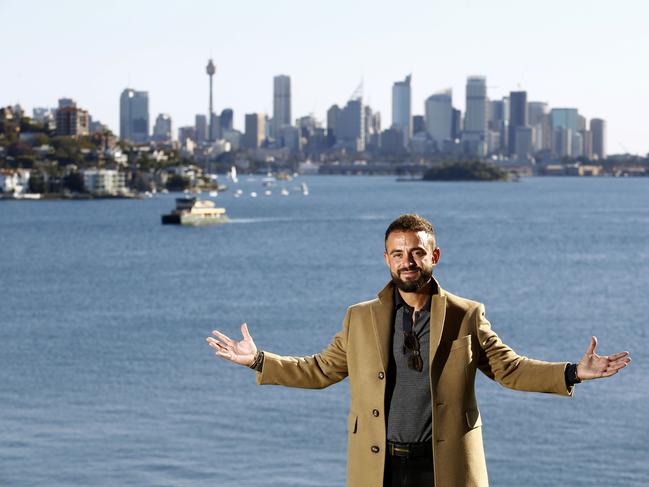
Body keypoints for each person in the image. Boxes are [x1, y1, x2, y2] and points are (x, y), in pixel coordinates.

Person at [206, 214, 630, 487]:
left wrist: (573, 372)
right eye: (397, 253)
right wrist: (258, 361)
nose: (406, 261)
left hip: (445, 465)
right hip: (380, 466)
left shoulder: (467, 314)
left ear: (434, 256)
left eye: (416, 252)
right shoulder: (360, 317)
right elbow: (320, 369)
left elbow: (509, 368)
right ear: (386, 259)